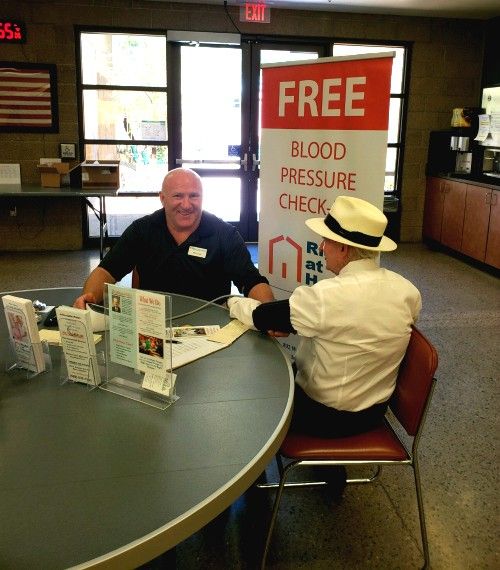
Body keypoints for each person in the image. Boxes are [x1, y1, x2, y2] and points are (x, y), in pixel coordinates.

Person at [228, 195, 422, 439]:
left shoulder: (326, 297)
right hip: (374, 412)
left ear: (343, 247)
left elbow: (260, 316)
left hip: (324, 415)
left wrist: (231, 302)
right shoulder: (408, 291)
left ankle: (254, 470)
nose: (321, 247)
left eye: (325, 241)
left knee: (245, 390)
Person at [74, 168, 274, 309]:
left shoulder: (224, 234)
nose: (186, 205)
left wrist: (269, 311)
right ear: (162, 198)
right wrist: (88, 297)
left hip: (211, 327)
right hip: (154, 323)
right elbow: (106, 271)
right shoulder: (142, 230)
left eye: (194, 196)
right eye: (178, 196)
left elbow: (252, 281)